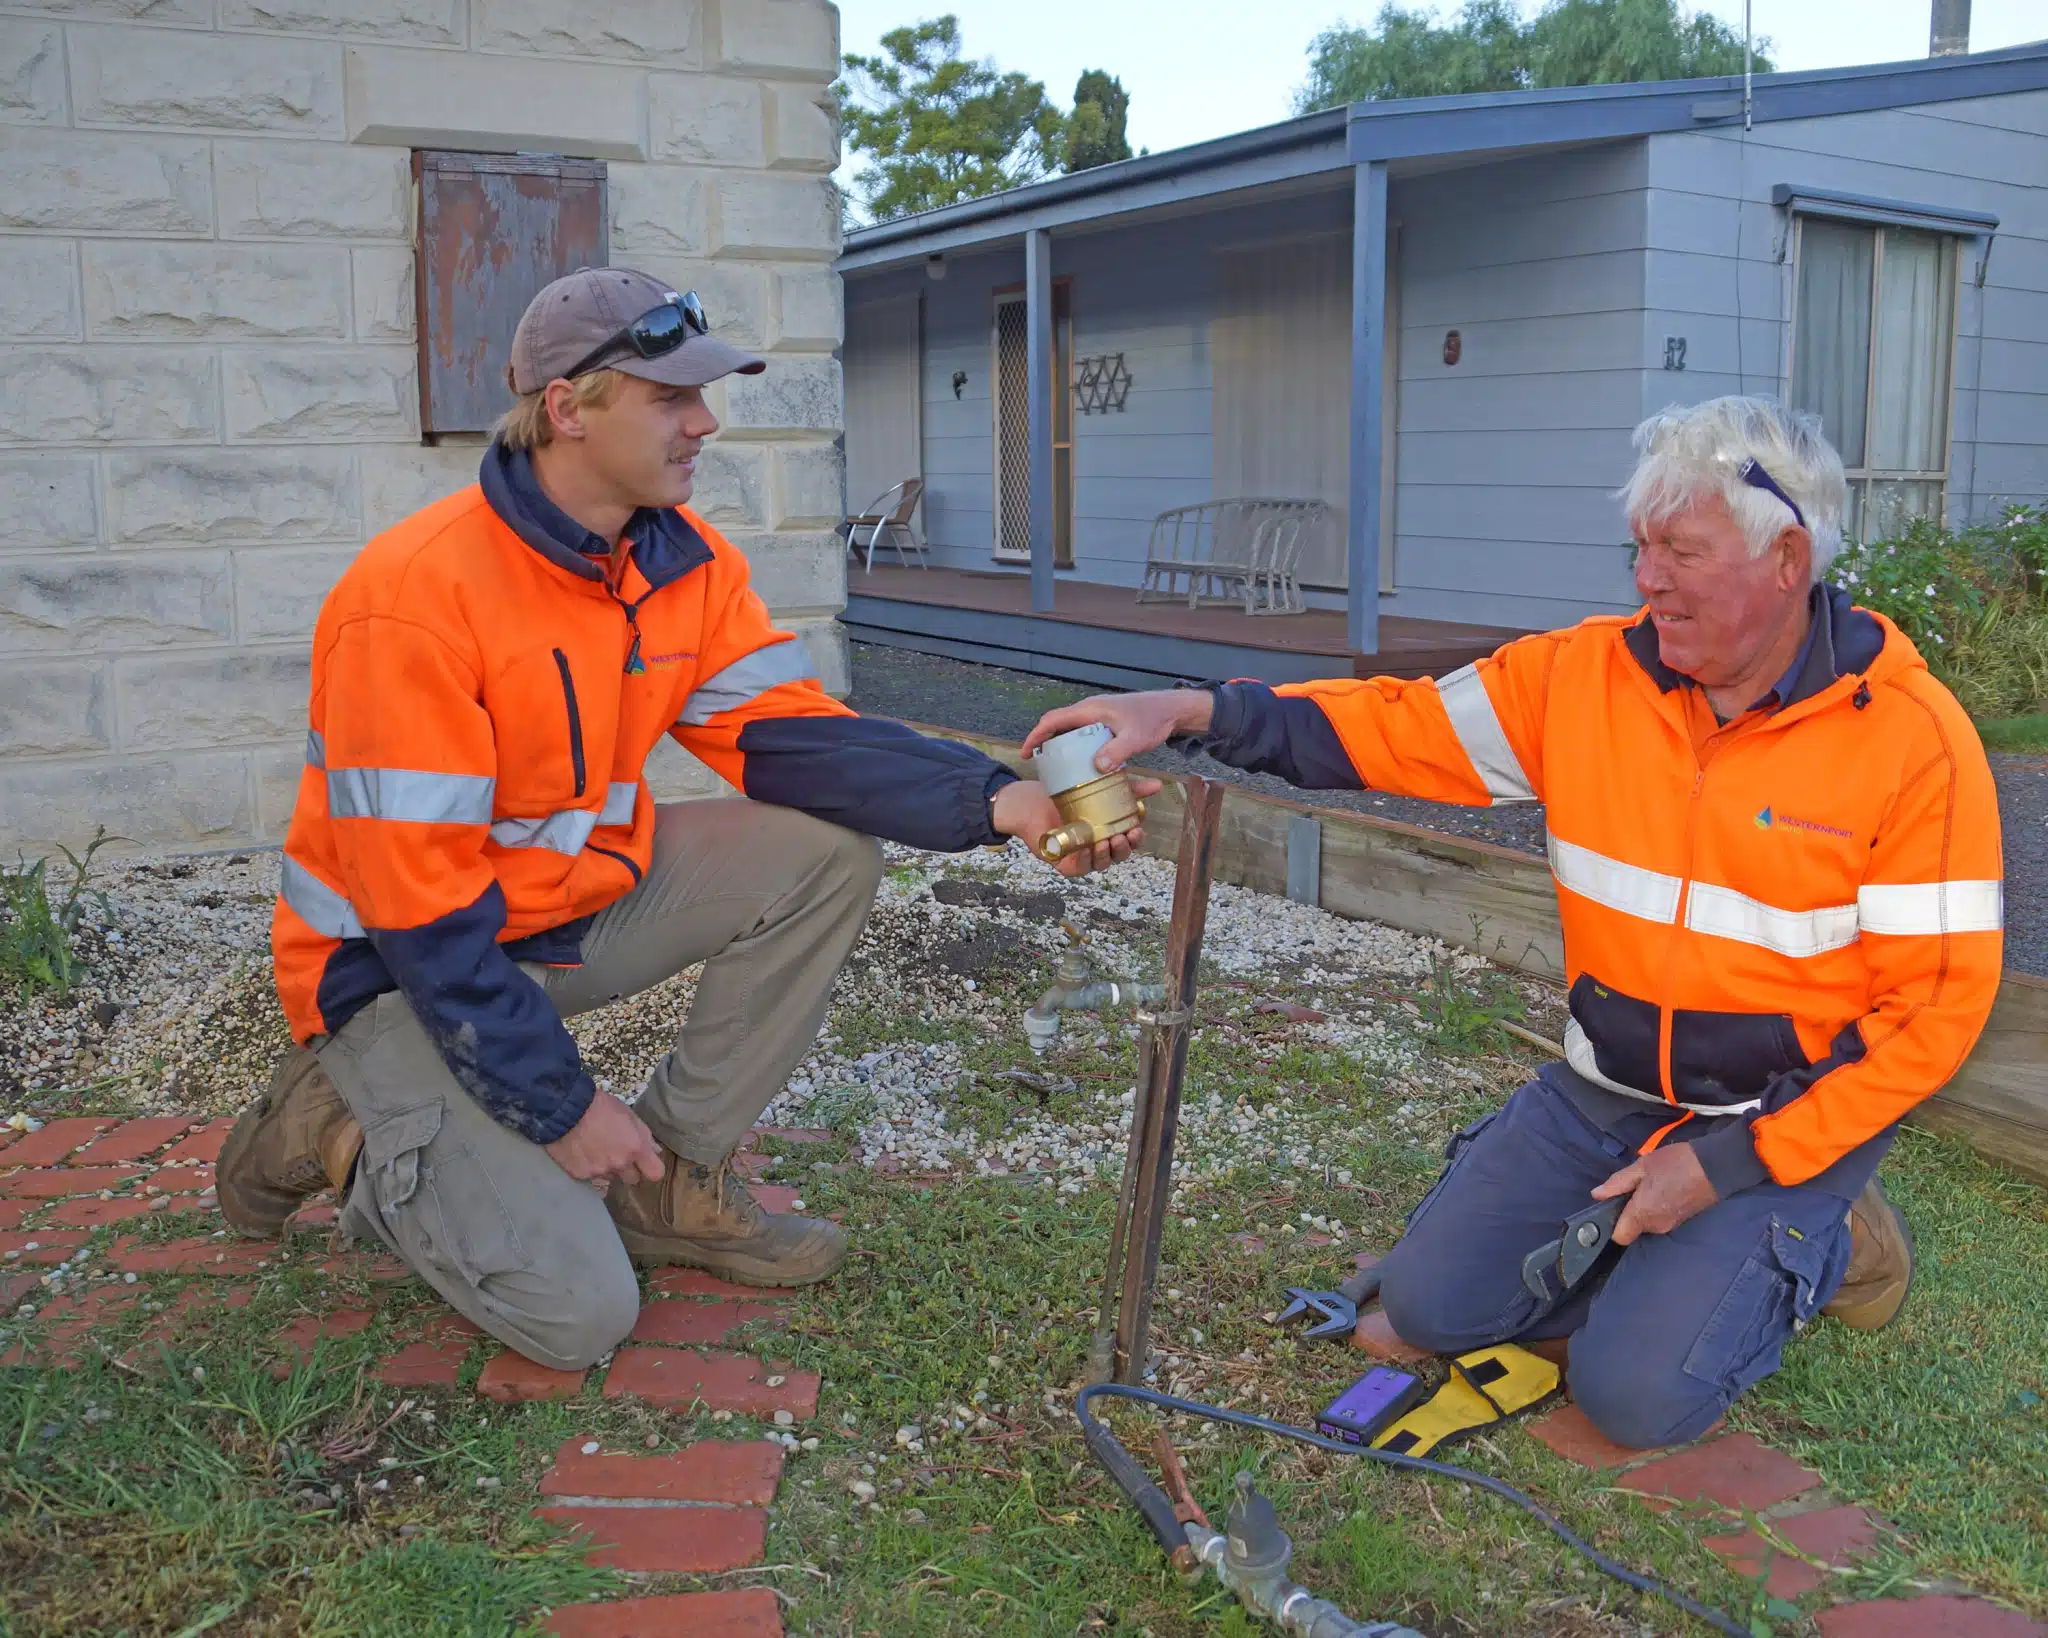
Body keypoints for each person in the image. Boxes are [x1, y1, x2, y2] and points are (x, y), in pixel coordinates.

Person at [1023, 396, 2003, 1449]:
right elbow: (1387, 728)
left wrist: (1726, 1165)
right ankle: (1665, 1242)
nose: (1647, 580)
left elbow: (1931, 1015)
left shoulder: (1912, 743)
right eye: (1638, 548)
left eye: (1679, 551)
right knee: (1429, 1308)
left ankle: (1833, 1233)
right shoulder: (1582, 678)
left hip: (1773, 1115)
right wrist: (1189, 711)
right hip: (1605, 1089)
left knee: (1635, 1399)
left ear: (1786, 561)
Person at [217, 267, 1152, 1371]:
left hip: (549, 919)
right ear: (568, 409)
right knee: (576, 1317)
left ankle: (672, 1180)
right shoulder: (415, 600)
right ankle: (334, 1126)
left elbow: (791, 738)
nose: (704, 421)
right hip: (393, 971)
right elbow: (419, 916)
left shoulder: (678, 564)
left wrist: (1000, 801)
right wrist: (564, 1109)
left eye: (702, 394)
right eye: (670, 397)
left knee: (819, 855)